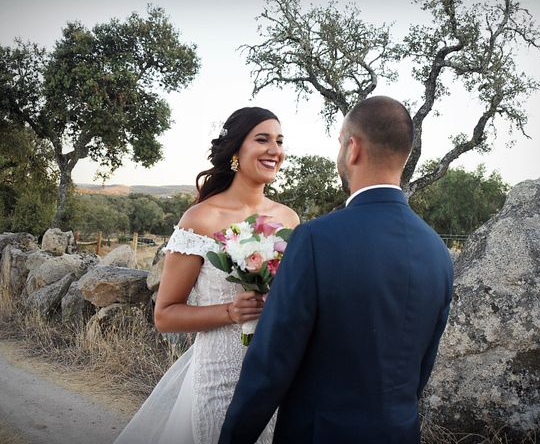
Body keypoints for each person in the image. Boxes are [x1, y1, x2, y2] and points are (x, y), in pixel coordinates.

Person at [219, 96, 454, 444]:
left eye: (340, 142)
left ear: (353, 148)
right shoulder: (438, 252)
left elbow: (270, 366)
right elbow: (421, 369)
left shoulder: (315, 239)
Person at [114, 107, 299, 444]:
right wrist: (229, 312)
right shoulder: (200, 219)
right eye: (263, 140)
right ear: (235, 152)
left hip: (275, 375)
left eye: (279, 141)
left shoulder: (288, 219)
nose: (275, 150)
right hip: (220, 377)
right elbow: (166, 315)